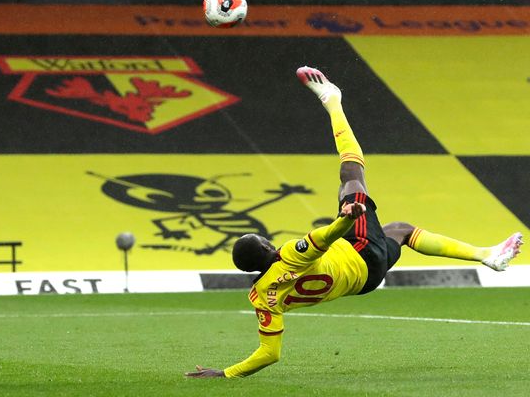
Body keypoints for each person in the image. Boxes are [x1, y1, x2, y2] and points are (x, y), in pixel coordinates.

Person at [185, 66, 523, 379]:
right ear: (268, 248)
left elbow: (269, 353)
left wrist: (226, 374)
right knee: (351, 176)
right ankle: (333, 101)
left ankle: (487, 255)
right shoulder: (288, 255)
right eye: (263, 241)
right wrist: (347, 217)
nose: (269, 242)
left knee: (401, 231)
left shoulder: (260, 296)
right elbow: (326, 236)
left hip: (366, 281)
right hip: (359, 251)